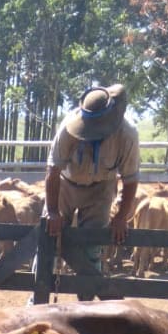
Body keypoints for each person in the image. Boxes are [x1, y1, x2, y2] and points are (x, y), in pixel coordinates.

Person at [44, 84, 139, 300]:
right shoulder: (69, 126)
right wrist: (52, 211)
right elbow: (53, 169)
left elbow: (130, 179)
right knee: (48, 238)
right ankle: (38, 298)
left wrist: (121, 217)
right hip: (65, 184)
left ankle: (85, 302)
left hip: (101, 188)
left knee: (92, 245)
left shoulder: (127, 134)